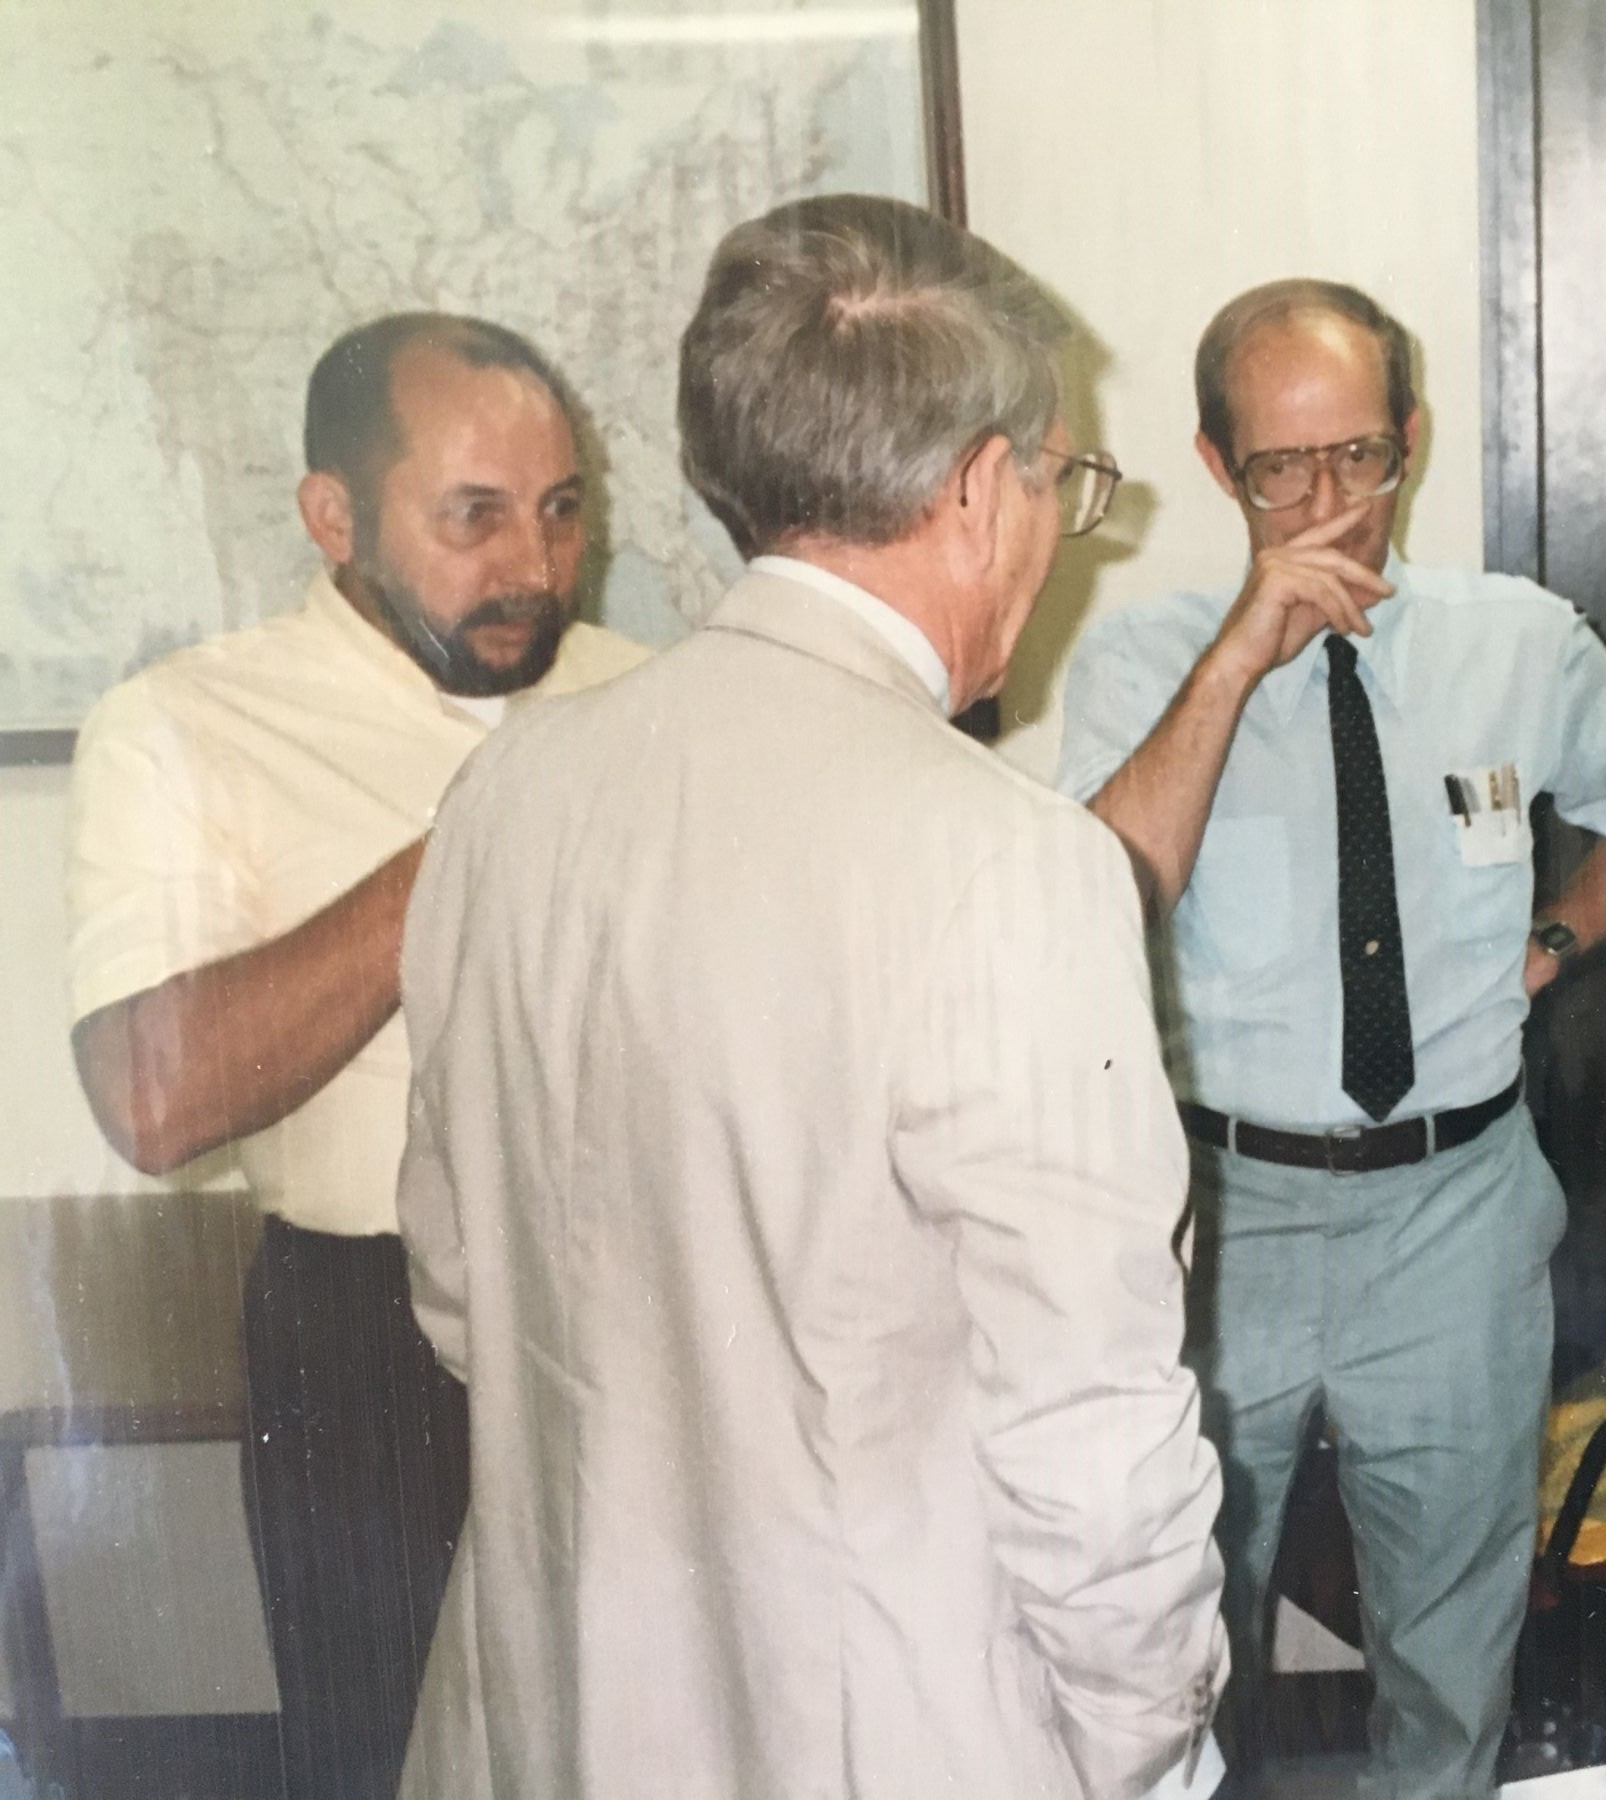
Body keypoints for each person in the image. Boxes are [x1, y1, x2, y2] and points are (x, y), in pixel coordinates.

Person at [393, 194, 1229, 1800]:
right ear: (986, 486)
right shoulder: (1011, 861)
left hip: (549, 1701)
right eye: (1067, 482)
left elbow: (456, 1285)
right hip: (881, 1733)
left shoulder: (511, 790)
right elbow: (1093, 1442)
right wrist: (1152, 1755)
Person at [1056, 279, 1606, 1798]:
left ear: (1409, 444)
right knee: (1176, 1637)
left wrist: (1554, 945)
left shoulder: (1519, 642)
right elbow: (1089, 897)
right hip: (1222, 1217)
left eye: (1358, 456)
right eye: (1282, 468)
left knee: (1451, 1655)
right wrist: (1237, 658)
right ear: (1219, 468)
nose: (1326, 504)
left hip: (1455, 1213)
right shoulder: (1135, 663)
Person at [64, 313, 645, 1800]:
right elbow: (153, 1097)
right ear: (335, 517)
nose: (532, 563)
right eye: (474, 517)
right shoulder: (185, 725)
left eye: (560, 509)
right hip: (367, 1349)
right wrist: (463, 851)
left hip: (651, 1314)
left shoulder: (650, 703)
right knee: (383, 1767)